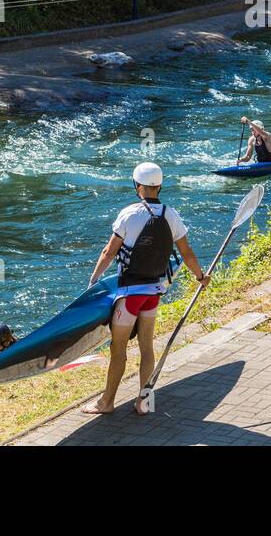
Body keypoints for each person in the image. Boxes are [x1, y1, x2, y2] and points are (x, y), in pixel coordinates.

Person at [82, 162, 209, 416]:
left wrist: (94, 280)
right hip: (153, 295)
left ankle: (106, 403)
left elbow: (109, 252)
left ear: (137, 186)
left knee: (118, 351)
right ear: (159, 186)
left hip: (129, 295)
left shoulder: (129, 214)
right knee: (147, 347)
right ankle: (144, 401)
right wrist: (200, 277)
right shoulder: (171, 215)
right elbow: (187, 253)